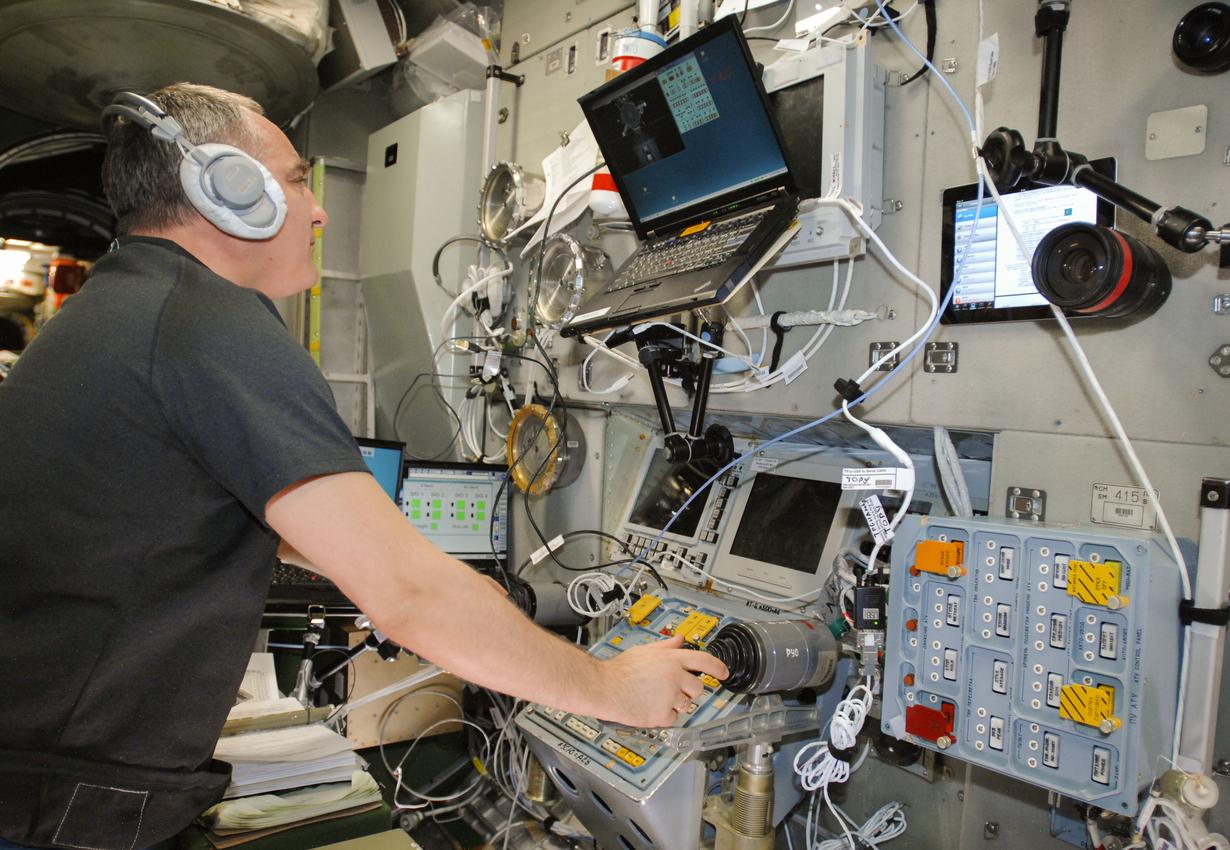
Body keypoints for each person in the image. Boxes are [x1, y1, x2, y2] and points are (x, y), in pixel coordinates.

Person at [0, 83, 727, 850]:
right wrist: (611, 687)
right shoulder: (210, 324)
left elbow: (154, 514)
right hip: (64, 813)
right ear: (226, 189)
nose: (315, 210)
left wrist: (406, 574)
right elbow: (410, 599)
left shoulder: (122, 306)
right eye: (293, 178)